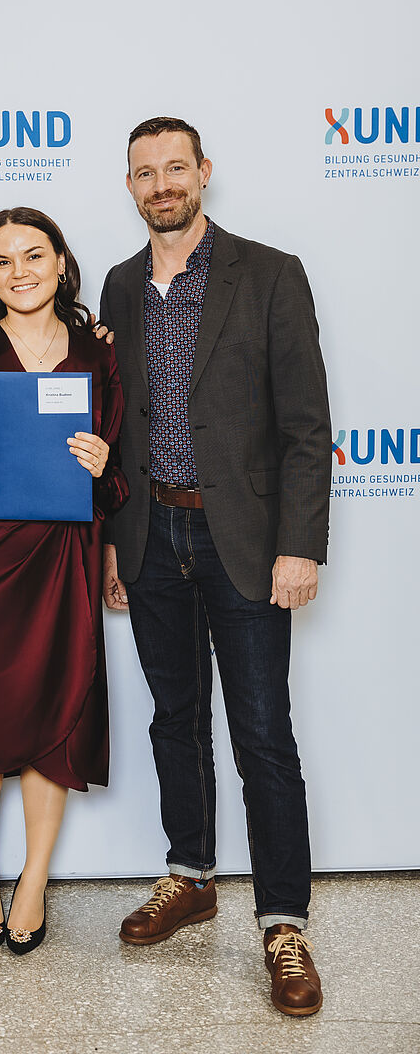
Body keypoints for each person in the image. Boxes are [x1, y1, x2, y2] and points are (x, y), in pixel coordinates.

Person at [100, 117, 331, 1016]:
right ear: (130, 186)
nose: (161, 184)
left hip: (244, 537)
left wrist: (299, 544)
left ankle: (284, 922)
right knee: (174, 718)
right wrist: (114, 544)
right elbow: (115, 425)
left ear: (203, 172)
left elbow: (306, 426)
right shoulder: (119, 287)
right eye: (144, 173)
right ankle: (191, 874)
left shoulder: (269, 273)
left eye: (175, 168)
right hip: (150, 533)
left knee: (263, 734)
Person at [0, 207, 128, 955]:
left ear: (61, 263)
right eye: (3, 260)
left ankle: (35, 877)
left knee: (59, 703)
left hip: (65, 556)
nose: (20, 272)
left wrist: (102, 465)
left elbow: (119, 466)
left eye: (34, 255)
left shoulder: (97, 350)